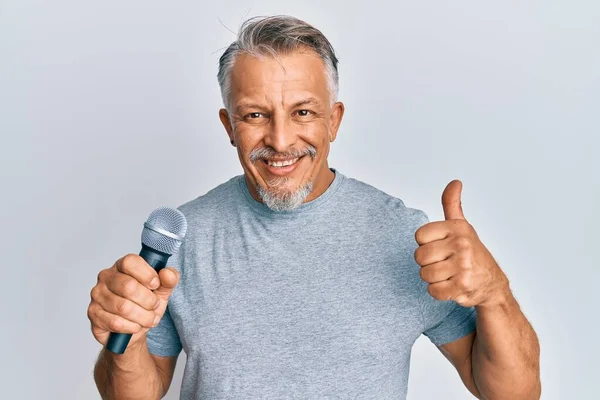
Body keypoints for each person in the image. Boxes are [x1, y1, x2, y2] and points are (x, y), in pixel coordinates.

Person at [88, 15, 541, 399]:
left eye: (303, 112)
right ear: (229, 125)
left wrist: (494, 294)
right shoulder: (185, 236)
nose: (281, 140)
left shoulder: (403, 236)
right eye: (255, 115)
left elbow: (511, 392)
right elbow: (134, 392)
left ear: (334, 120)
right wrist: (124, 342)